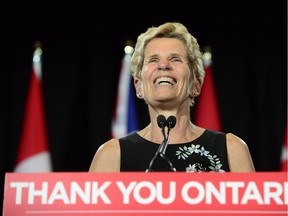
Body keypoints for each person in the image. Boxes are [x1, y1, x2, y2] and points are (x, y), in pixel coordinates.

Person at [89, 22, 255, 173]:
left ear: (196, 85)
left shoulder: (231, 150)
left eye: (175, 59)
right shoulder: (112, 155)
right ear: (138, 86)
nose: (163, 65)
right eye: (153, 60)